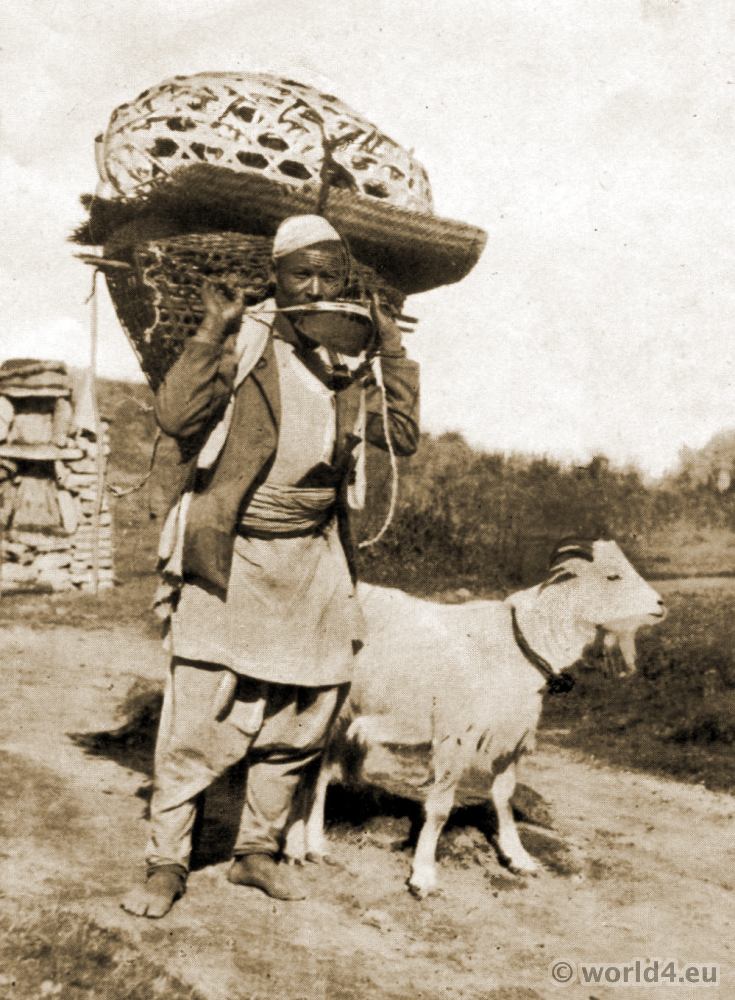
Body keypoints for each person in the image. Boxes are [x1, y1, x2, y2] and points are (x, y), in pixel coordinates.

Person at [122, 214, 420, 917]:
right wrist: (211, 330)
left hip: (313, 558)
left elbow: (399, 437)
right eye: (301, 275)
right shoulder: (247, 345)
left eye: (329, 277)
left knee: (304, 712)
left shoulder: (347, 363)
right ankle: (166, 863)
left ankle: (254, 852)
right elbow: (173, 416)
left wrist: (394, 351)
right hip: (236, 550)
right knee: (199, 712)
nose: (316, 289)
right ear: (277, 279)